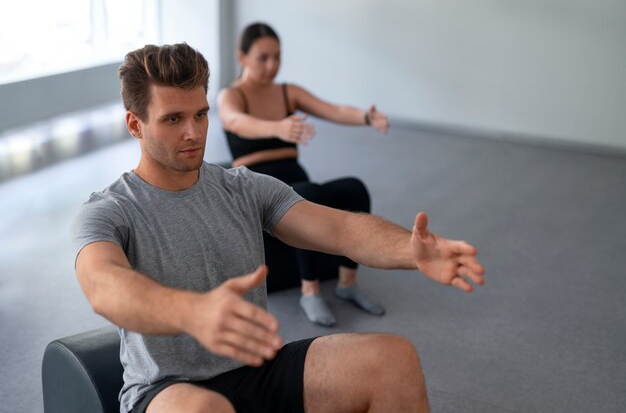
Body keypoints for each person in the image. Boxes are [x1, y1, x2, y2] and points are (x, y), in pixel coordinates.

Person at [72, 42, 485, 413]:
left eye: (200, 114)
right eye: (173, 119)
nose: (193, 132)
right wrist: (191, 311)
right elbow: (104, 285)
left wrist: (409, 251)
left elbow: (341, 230)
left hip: (259, 371)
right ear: (135, 125)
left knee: (393, 360)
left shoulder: (244, 187)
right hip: (168, 391)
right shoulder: (111, 210)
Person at [218, 22, 391, 326]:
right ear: (242, 57)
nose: (272, 65)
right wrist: (277, 127)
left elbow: (333, 110)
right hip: (257, 188)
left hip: (296, 181)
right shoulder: (231, 95)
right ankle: (309, 291)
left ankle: (347, 284)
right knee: (307, 195)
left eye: (277, 57)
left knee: (354, 188)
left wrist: (366, 116)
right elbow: (235, 122)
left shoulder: (287, 92)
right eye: (263, 58)